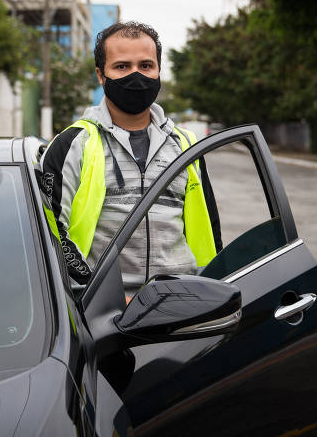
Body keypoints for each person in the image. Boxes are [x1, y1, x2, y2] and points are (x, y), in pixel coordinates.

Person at [38, 21, 221, 285]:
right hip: (103, 313)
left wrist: (213, 289)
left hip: (182, 304)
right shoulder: (73, 144)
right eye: (122, 66)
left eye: (146, 66)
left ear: (159, 71)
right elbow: (51, 232)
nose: (136, 76)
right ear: (101, 76)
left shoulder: (185, 144)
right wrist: (98, 295)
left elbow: (210, 227)